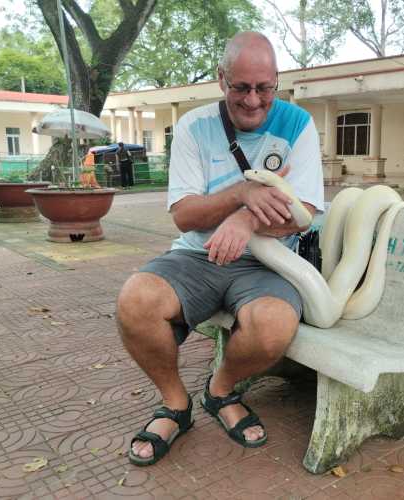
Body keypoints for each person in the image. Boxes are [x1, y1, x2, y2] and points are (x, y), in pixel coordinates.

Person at [117, 31, 324, 467]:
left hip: (269, 263)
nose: (253, 100)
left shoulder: (298, 124)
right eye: (241, 87)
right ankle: (175, 404)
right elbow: (186, 216)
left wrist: (246, 219)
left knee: (274, 325)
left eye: (264, 87)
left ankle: (220, 389)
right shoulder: (195, 126)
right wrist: (242, 193)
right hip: (196, 256)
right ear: (220, 79)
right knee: (135, 301)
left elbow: (302, 212)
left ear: (277, 81)